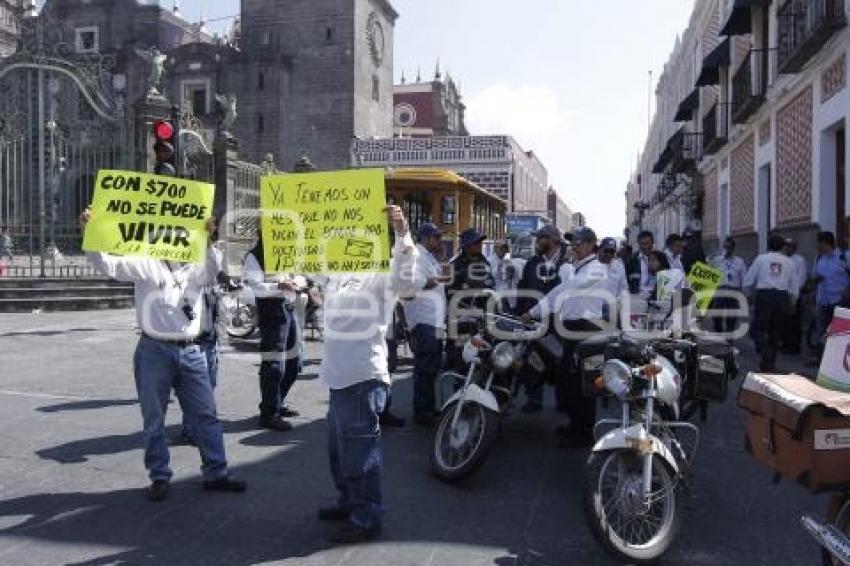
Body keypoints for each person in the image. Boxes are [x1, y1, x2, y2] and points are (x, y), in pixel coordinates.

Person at [79, 208, 246, 502]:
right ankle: (159, 475)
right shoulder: (147, 263)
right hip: (154, 350)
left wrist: (208, 239)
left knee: (206, 415)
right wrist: (90, 233)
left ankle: (216, 472)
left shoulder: (197, 265)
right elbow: (109, 265)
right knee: (154, 417)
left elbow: (211, 271)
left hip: (192, 350)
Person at [318, 205, 421, 543]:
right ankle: (349, 502)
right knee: (339, 452)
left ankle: (366, 518)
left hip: (363, 376)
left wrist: (402, 231)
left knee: (360, 454)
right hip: (337, 376)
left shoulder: (381, 274)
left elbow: (407, 280)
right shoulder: (335, 273)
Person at [523, 227, 610, 447]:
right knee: (569, 380)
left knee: (585, 382)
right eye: (572, 243)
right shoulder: (577, 269)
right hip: (571, 328)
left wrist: (565, 268)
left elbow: (568, 288)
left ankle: (583, 431)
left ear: (591, 244)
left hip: (588, 329)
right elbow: (556, 295)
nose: (574, 247)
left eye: (579, 243)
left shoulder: (597, 268)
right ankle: (575, 424)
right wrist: (531, 313)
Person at [244, 237, 303, 432]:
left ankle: (276, 402)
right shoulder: (254, 256)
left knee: (294, 365)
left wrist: (295, 282)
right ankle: (269, 414)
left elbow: (301, 275)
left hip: (289, 307)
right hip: (272, 312)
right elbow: (256, 287)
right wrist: (278, 286)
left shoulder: (287, 250)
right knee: (274, 365)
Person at [515, 224, 571, 413]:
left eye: (542, 237)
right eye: (538, 238)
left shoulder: (566, 265)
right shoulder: (531, 264)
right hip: (532, 320)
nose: (538, 242)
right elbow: (522, 289)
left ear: (554, 239)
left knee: (559, 362)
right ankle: (534, 398)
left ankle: (563, 401)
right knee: (533, 360)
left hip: (557, 323)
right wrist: (521, 312)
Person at [403, 222, 449, 426]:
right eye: (436, 237)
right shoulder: (417, 257)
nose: (439, 241)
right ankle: (422, 411)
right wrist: (441, 278)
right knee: (425, 368)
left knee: (432, 367)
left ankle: (428, 407)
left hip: (434, 320)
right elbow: (420, 283)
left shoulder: (428, 256)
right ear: (425, 237)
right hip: (424, 321)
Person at [744, 234, 800, 371]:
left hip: (764, 296)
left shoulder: (761, 259)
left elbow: (749, 278)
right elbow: (794, 283)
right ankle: (770, 362)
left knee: (759, 328)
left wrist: (748, 294)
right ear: (782, 246)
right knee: (776, 330)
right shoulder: (789, 262)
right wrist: (793, 301)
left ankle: (764, 351)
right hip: (781, 297)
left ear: (768, 245)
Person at [811, 231, 850, 355]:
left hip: (839, 300)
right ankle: (822, 357)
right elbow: (813, 275)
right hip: (823, 300)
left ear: (824, 243)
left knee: (838, 331)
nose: (817, 245)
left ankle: (837, 357)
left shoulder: (844, 256)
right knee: (822, 330)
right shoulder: (819, 258)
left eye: (818, 243)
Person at [709, 237, 748, 335]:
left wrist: (745, 294)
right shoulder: (717, 260)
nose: (728, 249)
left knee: (732, 315)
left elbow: (744, 278)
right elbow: (708, 272)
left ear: (733, 248)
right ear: (723, 247)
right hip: (720, 289)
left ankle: (729, 337)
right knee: (716, 311)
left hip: (734, 290)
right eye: (726, 247)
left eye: (730, 247)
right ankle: (719, 329)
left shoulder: (740, 262)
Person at [781, 238, 808, 353]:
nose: (787, 248)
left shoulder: (799, 260)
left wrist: (794, 293)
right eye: (786, 246)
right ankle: (784, 343)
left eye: (790, 246)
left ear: (794, 248)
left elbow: (801, 278)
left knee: (794, 322)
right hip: (782, 294)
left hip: (794, 294)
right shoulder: (781, 259)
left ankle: (793, 347)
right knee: (784, 321)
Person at [598, 237, 627, 323]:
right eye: (606, 251)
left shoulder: (619, 266)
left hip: (612, 309)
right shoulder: (592, 264)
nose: (608, 254)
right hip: (594, 309)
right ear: (600, 250)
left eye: (612, 252)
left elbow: (623, 287)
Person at [489, 240, 522, 312]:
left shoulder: (513, 261)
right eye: (501, 248)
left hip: (513, 298)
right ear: (495, 249)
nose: (504, 250)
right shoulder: (490, 262)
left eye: (505, 248)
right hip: (500, 297)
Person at [626, 230, 656, 296]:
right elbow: (626, 280)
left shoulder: (661, 258)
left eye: (648, 243)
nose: (645, 246)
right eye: (642, 244)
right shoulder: (631, 260)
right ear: (638, 244)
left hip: (657, 296)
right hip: (638, 296)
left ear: (653, 243)